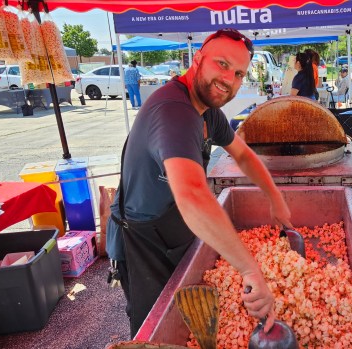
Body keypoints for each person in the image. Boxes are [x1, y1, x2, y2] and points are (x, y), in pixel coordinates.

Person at [106, 28, 292, 337]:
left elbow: (244, 156)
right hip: (141, 237)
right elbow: (192, 195)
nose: (229, 79)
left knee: (189, 314)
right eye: (221, 64)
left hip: (173, 224)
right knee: (156, 329)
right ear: (197, 59)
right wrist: (250, 271)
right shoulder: (174, 111)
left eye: (239, 74)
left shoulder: (208, 111)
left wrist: (275, 198)